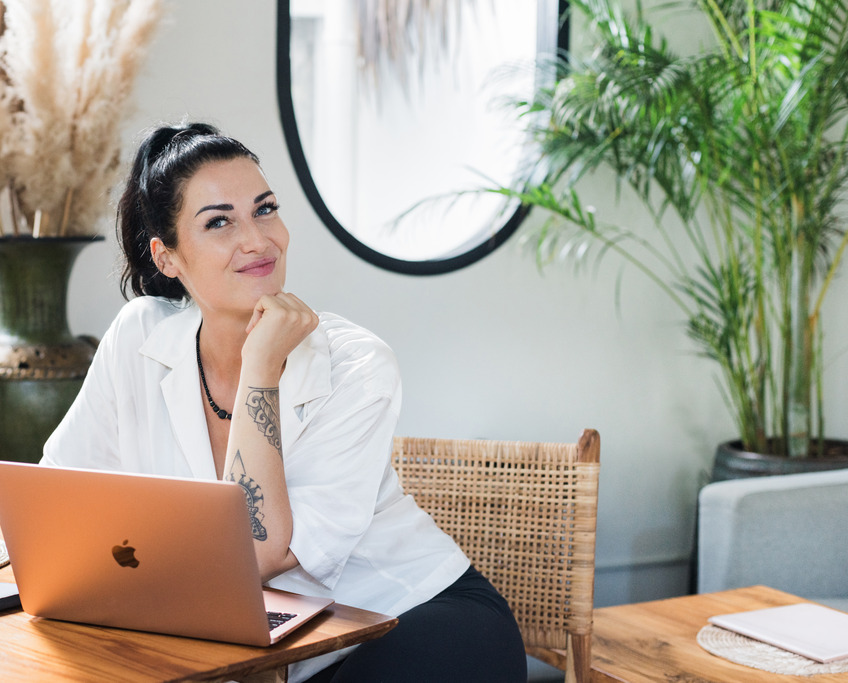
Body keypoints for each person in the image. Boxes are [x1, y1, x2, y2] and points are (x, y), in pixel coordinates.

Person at [41, 122, 527, 682]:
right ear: (167, 257)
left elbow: (258, 554)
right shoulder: (140, 337)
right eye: (219, 221)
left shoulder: (358, 365)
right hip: (268, 643)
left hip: (411, 620)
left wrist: (261, 368)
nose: (257, 239)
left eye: (265, 209)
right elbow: (62, 501)